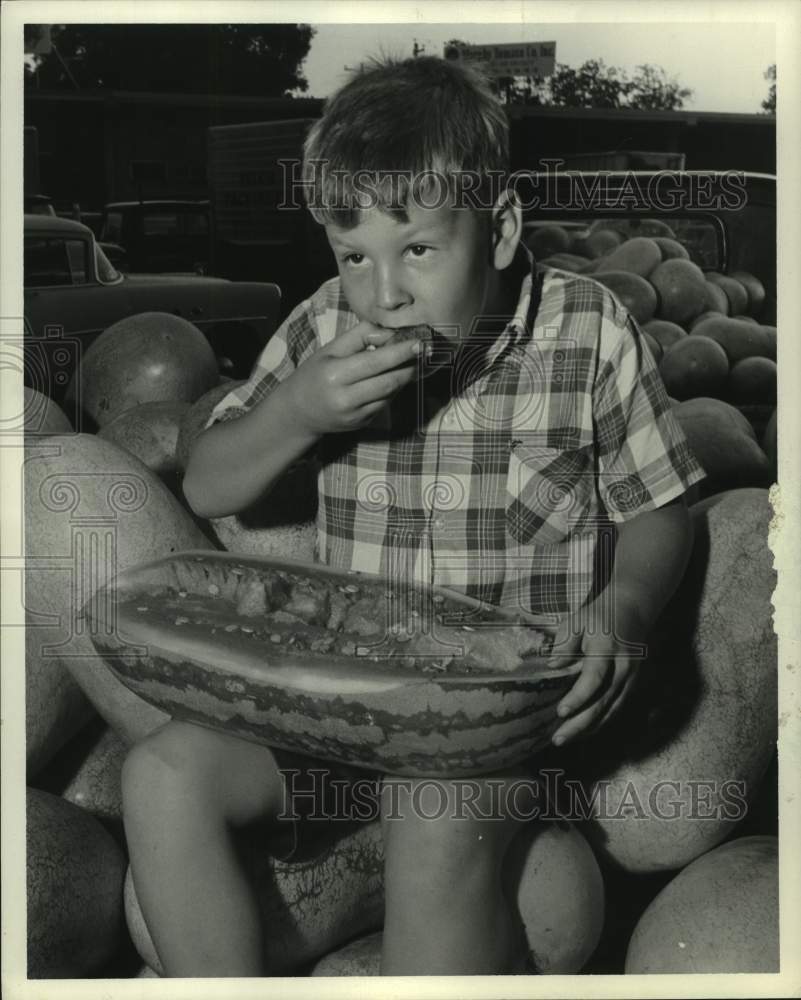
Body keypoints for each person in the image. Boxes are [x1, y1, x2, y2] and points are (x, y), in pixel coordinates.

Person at [121, 55, 705, 977]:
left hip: (497, 729)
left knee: (432, 834)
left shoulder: (586, 330)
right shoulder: (323, 330)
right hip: (337, 711)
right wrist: (297, 412)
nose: (382, 292)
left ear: (500, 227)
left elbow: (663, 508)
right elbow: (209, 488)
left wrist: (622, 610)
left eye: (418, 249)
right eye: (354, 255)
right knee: (159, 778)